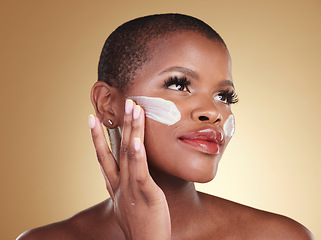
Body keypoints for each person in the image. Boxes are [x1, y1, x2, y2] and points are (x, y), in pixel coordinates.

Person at [17, 13, 314, 240]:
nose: (212, 111)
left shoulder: (279, 236)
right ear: (108, 103)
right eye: (179, 84)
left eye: (223, 95)